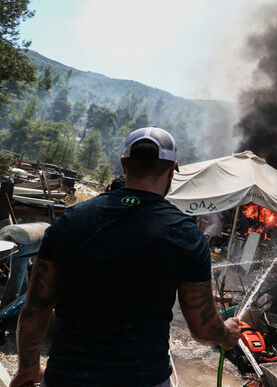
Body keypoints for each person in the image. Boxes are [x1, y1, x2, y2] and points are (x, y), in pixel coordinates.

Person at [10, 127, 241, 387]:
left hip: (68, 377)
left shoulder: (71, 221)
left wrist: (28, 368)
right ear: (172, 168)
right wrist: (226, 333)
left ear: (123, 164)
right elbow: (203, 330)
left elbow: (34, 310)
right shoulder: (186, 235)